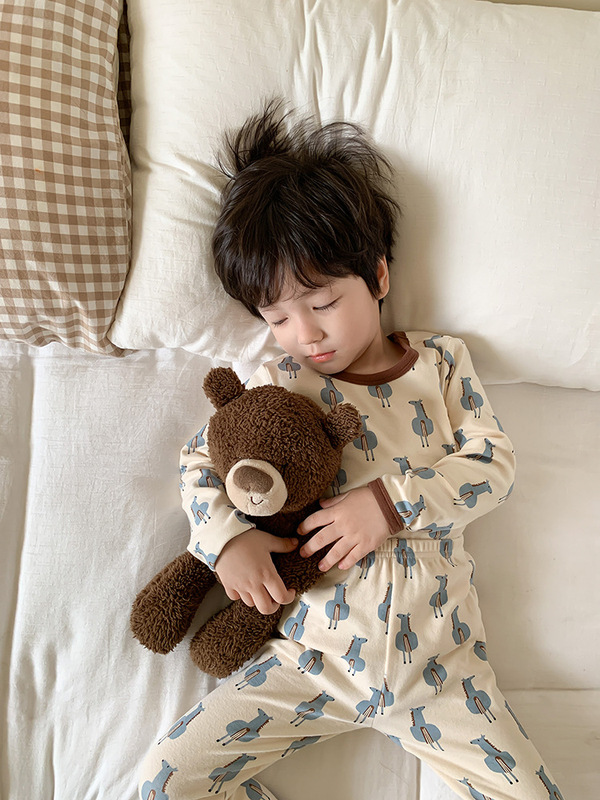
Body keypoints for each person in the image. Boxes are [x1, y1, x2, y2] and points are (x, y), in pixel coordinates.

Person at [138, 101, 565, 800]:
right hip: (312, 662)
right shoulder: (280, 385)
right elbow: (200, 460)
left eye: (322, 302)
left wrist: (389, 504)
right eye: (277, 316)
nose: (304, 333)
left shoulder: (440, 363)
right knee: (165, 781)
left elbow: (494, 466)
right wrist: (226, 541)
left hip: (441, 670)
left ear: (379, 276)